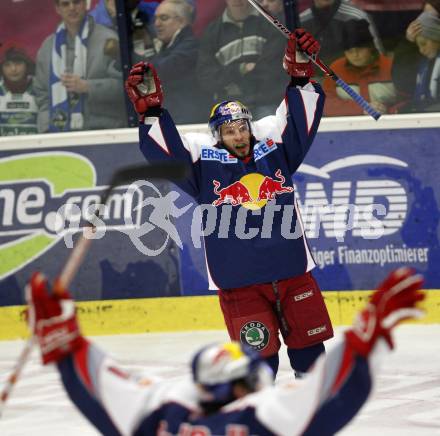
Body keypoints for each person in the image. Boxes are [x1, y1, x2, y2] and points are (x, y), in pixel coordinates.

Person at [125, 29, 334, 379]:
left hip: (292, 274)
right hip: (241, 284)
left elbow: (300, 125)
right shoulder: (203, 168)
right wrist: (152, 113)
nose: (238, 135)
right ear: (217, 135)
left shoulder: (276, 152)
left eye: (242, 127)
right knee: (259, 366)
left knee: (311, 357)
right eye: (229, 130)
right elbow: (167, 153)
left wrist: (300, 77)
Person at [26, 267, 425, 435]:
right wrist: (364, 341)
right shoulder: (262, 418)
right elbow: (336, 395)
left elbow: (97, 390)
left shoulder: (163, 413)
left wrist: (65, 343)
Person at [33, 0, 127, 133]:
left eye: (76, 2)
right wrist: (46, 128)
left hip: (104, 132)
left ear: (85, 4)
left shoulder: (109, 40)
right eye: (65, 4)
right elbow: (41, 94)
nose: (72, 8)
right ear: (57, 9)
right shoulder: (47, 47)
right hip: (58, 133)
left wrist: (88, 87)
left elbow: (124, 87)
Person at [196, 0, 285, 113]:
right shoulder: (211, 32)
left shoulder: (271, 22)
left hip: (266, 102)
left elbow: (273, 69)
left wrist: (230, 82)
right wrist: (241, 69)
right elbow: (205, 78)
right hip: (228, 107)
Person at [133, 0, 205, 123]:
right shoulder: (165, 46)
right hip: (173, 119)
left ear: (182, 21)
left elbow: (158, 72)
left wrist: (131, 57)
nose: (157, 24)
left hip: (186, 123)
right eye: (155, 19)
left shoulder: (190, 45)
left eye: (164, 18)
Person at [323, 19, 398, 116]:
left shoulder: (389, 66)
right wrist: (361, 109)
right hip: (350, 126)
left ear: (370, 47)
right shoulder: (336, 69)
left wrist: (388, 111)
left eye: (359, 49)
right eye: (349, 51)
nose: (355, 55)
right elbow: (326, 104)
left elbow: (409, 99)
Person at [299, 0, 383, 68]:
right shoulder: (300, 21)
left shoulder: (357, 16)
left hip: (353, 79)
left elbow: (378, 55)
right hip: (314, 81)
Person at [0, 42, 38, 136]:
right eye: (7, 65)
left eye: (18, 63)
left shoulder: (39, 88)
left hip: (36, 148)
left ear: (27, 64)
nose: (13, 69)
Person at [412, 12, 440, 111]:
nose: (421, 50)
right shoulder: (424, 64)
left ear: (437, 38)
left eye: (424, 44)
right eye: (418, 46)